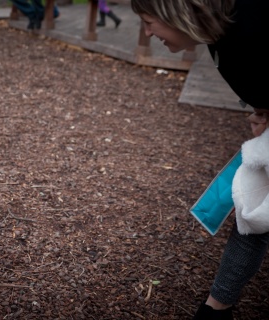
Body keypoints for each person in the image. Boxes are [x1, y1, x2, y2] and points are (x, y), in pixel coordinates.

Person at [129, 0, 269, 319]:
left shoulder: (251, 24)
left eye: (150, 21)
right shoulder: (218, 35)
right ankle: (215, 309)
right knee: (252, 215)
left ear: (175, 14)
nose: (147, 32)